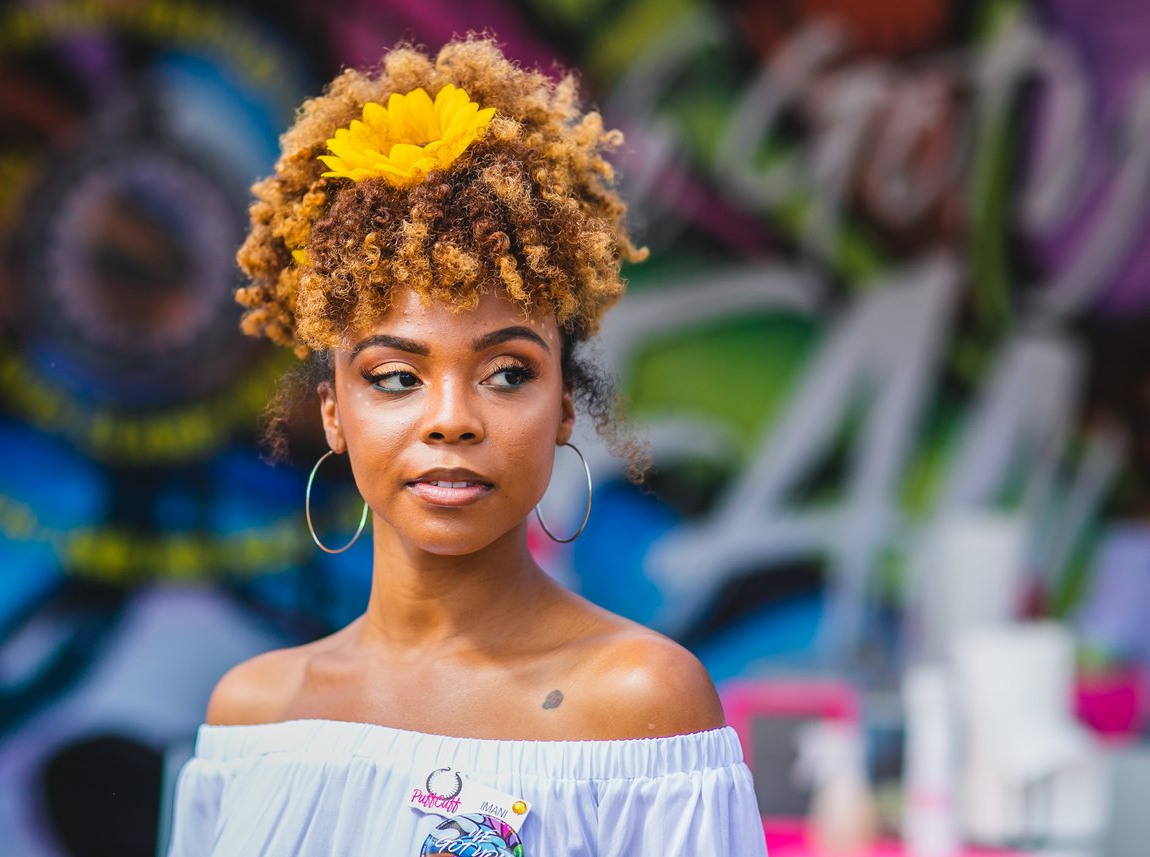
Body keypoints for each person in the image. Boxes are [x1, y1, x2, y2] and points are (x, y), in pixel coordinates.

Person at [166, 34, 767, 857]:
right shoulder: (254, 715)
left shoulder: (640, 702)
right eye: (395, 377)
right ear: (334, 413)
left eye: (508, 372)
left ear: (563, 409)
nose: (452, 418)